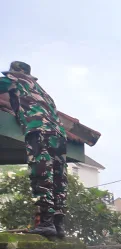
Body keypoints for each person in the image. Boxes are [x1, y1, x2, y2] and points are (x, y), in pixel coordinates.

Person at [0, 62, 67, 239]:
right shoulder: (41, 91)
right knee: (58, 177)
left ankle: (46, 223)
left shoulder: (15, 80)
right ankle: (58, 224)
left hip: (39, 130)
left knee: (41, 174)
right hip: (59, 135)